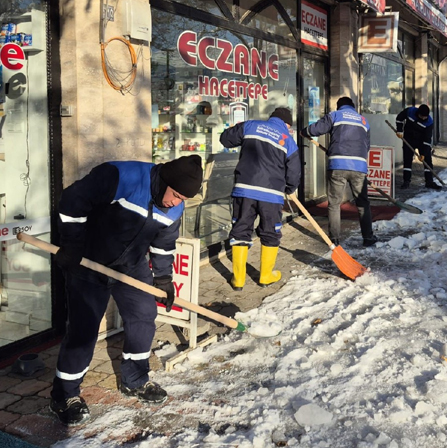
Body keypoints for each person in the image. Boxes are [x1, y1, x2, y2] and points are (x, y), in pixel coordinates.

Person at [50, 155, 204, 425]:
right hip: (88, 261)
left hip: (131, 266)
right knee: (84, 330)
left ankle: (135, 380)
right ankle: (64, 395)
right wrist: (72, 244)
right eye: (176, 195)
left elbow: (164, 242)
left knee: (144, 315)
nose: (176, 203)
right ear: (164, 181)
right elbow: (73, 200)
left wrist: (164, 277)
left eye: (182, 199)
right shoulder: (122, 176)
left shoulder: (175, 208)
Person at [220, 107, 300, 291]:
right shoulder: (288, 140)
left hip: (244, 190)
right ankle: (265, 275)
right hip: (271, 195)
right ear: (287, 125)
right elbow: (294, 172)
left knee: (240, 230)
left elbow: (225, 139)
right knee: (270, 232)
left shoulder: (251, 126)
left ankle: (238, 279)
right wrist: (289, 188)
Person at [302, 97, 377, 248]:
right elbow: (366, 146)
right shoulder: (363, 121)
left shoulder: (335, 115)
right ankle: (368, 237)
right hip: (359, 167)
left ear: (339, 106)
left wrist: (305, 131)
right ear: (353, 107)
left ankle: (334, 240)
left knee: (334, 204)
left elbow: (315, 129)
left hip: (338, 164)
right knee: (363, 203)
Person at [395, 104, 441, 190]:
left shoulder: (429, 122)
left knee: (427, 161)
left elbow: (427, 139)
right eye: (422, 116)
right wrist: (399, 130)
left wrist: (423, 153)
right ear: (418, 113)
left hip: (422, 141)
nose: (423, 118)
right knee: (407, 160)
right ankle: (406, 181)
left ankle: (429, 182)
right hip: (408, 139)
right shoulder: (410, 112)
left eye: (425, 117)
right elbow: (399, 119)